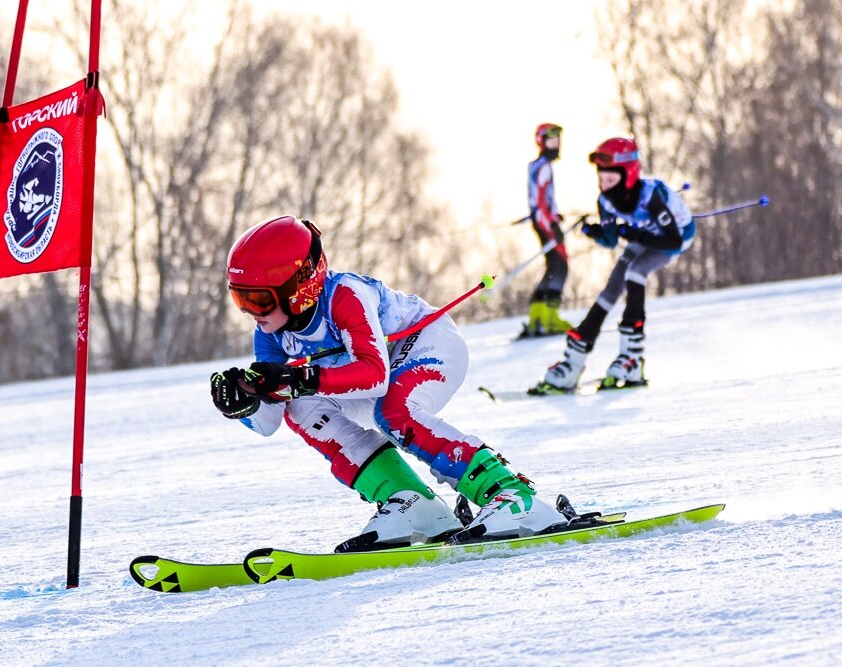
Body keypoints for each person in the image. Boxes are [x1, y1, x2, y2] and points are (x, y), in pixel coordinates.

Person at [211, 215, 575, 552]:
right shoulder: (271, 335)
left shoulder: (345, 296)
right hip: (366, 378)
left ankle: (511, 495)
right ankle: (413, 503)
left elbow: (374, 374)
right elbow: (269, 421)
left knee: (394, 411)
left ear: (299, 287)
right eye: (239, 297)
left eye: (257, 300)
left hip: (428, 345)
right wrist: (244, 402)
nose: (249, 312)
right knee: (300, 406)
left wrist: (300, 378)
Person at [530, 137, 695, 394]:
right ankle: (575, 359)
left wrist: (633, 233)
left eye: (611, 180)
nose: (605, 186)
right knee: (612, 287)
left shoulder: (652, 196)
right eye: (601, 179)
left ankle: (632, 357)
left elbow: (672, 239)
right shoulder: (606, 201)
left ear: (627, 174)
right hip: (645, 238)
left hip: (674, 239)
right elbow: (610, 240)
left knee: (635, 272)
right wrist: (594, 231)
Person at [520, 123, 573, 339]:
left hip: (542, 220)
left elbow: (540, 199)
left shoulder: (536, 165)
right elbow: (541, 198)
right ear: (541, 142)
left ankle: (537, 318)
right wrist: (551, 223)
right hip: (545, 223)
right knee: (560, 267)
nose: (556, 145)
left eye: (558, 141)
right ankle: (549, 317)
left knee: (552, 266)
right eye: (551, 141)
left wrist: (554, 214)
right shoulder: (543, 167)